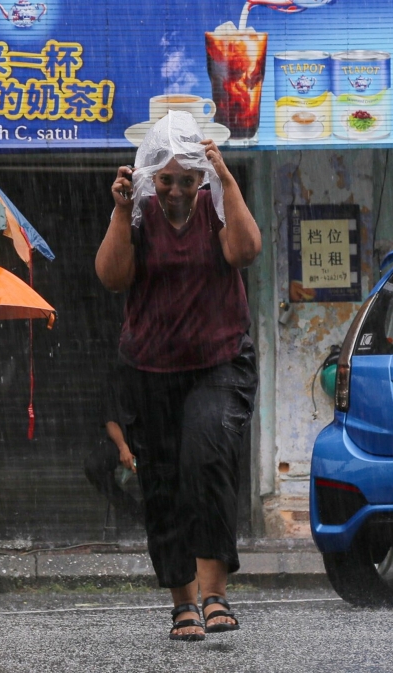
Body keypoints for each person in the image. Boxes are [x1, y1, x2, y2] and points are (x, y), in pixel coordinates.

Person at [94, 111, 261, 641]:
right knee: (162, 481)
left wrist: (226, 179)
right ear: (152, 178)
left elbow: (246, 250)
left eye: (186, 180)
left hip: (220, 361)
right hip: (151, 369)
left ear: (200, 179)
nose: (175, 190)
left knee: (207, 455)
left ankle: (215, 594)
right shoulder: (139, 212)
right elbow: (111, 276)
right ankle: (182, 602)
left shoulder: (217, 205)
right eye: (166, 180)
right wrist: (121, 213)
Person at [83, 371, 143, 525]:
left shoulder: (154, 375)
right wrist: (123, 447)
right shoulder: (115, 380)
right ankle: (128, 506)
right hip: (122, 440)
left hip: (151, 440)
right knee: (93, 465)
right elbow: (110, 421)